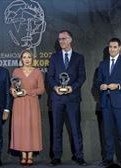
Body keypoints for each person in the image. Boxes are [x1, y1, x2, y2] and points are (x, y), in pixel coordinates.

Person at [47, 30, 87, 166]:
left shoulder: (79, 57)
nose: (61, 41)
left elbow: (82, 76)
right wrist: (55, 88)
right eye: (59, 39)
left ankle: (79, 156)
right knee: (56, 129)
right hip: (57, 99)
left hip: (73, 98)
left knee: (75, 129)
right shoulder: (54, 57)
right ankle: (56, 156)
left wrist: (72, 87)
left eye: (64, 38)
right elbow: (50, 77)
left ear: (70, 39)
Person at [95, 38, 121, 168]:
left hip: (120, 104)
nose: (112, 49)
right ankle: (108, 159)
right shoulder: (102, 64)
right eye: (110, 47)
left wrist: (118, 86)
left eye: (114, 47)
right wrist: (100, 85)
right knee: (108, 134)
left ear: (119, 48)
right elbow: (97, 82)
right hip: (106, 104)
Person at [10, 49, 45, 166]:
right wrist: (13, 91)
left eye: (29, 57)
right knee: (21, 128)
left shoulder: (37, 72)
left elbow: (41, 89)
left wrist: (27, 91)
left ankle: (30, 156)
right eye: (24, 57)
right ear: (21, 59)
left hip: (32, 103)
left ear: (32, 59)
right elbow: (12, 87)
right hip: (19, 103)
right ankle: (23, 155)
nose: (26, 59)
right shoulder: (16, 71)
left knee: (31, 128)